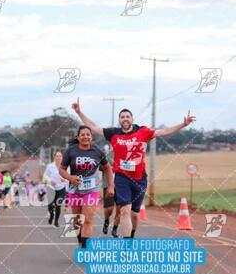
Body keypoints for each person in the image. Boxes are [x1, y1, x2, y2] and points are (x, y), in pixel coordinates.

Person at [72, 97, 196, 238]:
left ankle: (132, 234)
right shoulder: (113, 133)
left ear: (132, 119)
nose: (125, 119)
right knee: (125, 210)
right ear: (119, 120)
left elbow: (164, 131)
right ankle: (127, 245)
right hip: (121, 177)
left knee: (135, 214)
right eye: (122, 117)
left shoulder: (143, 131)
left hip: (139, 178)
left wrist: (183, 124)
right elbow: (93, 126)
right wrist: (79, 112)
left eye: (127, 116)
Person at [58, 126, 115, 248]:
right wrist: (71, 178)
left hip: (92, 190)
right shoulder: (71, 151)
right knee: (77, 221)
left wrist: (111, 186)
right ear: (78, 137)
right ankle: (80, 240)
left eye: (88, 134)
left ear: (91, 137)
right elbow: (61, 169)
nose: (85, 137)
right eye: (82, 135)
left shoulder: (98, 151)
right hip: (75, 189)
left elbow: (108, 168)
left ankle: (84, 249)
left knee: (88, 219)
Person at [43, 151, 69, 227]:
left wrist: (65, 179)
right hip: (51, 188)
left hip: (61, 188)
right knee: (50, 205)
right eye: (57, 156)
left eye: (60, 156)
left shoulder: (65, 166)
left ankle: (56, 221)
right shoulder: (50, 166)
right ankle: (51, 216)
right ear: (54, 157)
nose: (58, 157)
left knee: (58, 205)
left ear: (62, 157)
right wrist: (51, 180)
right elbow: (45, 176)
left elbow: (69, 176)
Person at [100, 144, 121, 237]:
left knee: (120, 209)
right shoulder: (106, 154)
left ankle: (115, 229)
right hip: (108, 184)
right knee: (109, 208)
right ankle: (106, 221)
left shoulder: (124, 154)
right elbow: (100, 167)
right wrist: (109, 167)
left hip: (121, 185)